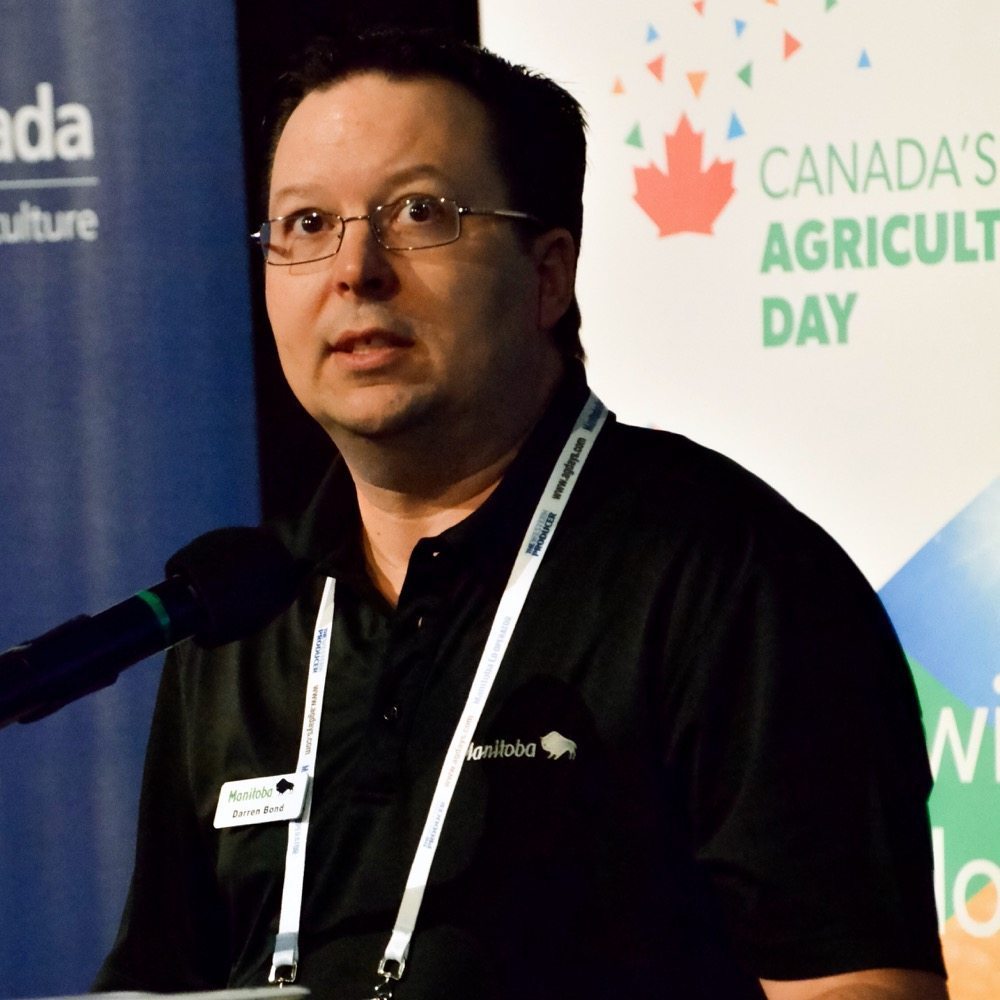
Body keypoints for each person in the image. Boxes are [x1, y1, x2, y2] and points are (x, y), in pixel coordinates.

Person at [95, 30, 948, 1000]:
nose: (354, 268)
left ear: (548, 274)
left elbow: (861, 985)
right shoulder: (240, 607)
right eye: (304, 224)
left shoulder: (730, 576)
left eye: (418, 211)